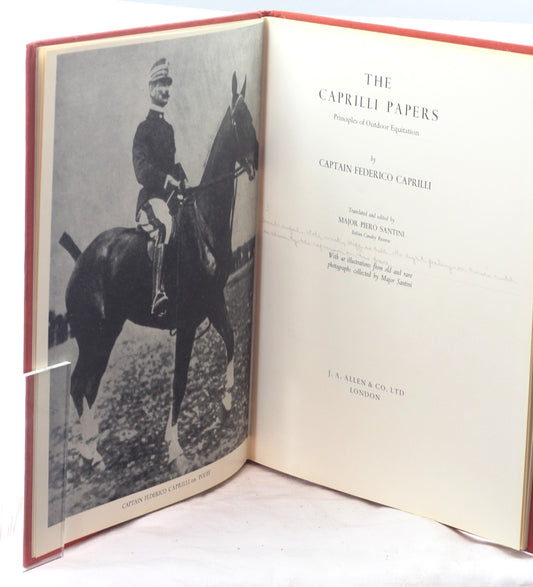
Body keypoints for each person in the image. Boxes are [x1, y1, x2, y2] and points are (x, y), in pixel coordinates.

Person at [133, 57, 187, 319]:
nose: (166, 90)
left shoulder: (168, 129)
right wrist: (166, 180)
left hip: (168, 199)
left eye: (168, 85)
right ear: (151, 89)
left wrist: (182, 179)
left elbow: (171, 166)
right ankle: (157, 294)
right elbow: (141, 170)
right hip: (151, 202)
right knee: (164, 225)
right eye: (161, 84)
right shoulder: (143, 129)